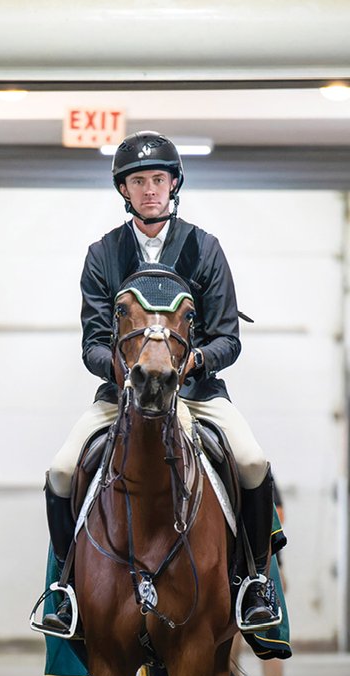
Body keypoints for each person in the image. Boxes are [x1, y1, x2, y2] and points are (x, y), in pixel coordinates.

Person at [41, 130, 280, 636]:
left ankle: (255, 583)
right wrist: (127, 373)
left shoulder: (204, 249)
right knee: (62, 470)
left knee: (253, 462)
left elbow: (228, 340)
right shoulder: (103, 254)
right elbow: (91, 344)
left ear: (173, 184)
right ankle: (63, 588)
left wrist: (187, 365)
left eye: (158, 179)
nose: (149, 189)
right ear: (124, 190)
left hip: (195, 393)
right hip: (122, 394)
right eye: (138, 181)